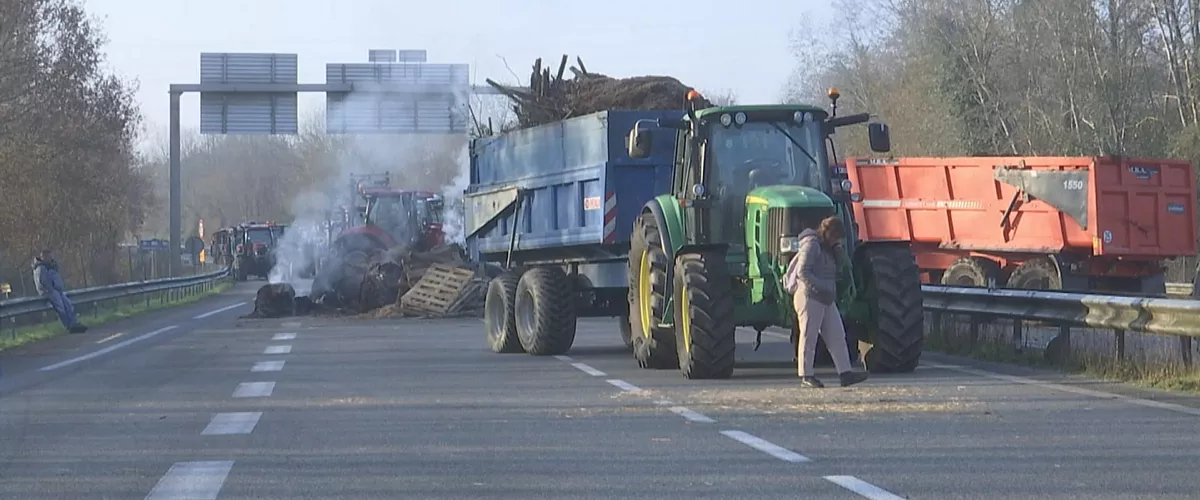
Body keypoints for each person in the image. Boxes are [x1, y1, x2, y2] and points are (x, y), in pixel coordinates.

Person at [783, 216, 867, 388]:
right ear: (827, 232)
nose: (836, 240)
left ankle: (845, 373)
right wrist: (822, 287)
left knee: (837, 335)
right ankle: (806, 375)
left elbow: (842, 267)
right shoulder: (812, 244)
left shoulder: (830, 248)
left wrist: (838, 251)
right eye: (835, 237)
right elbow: (803, 272)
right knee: (809, 336)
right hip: (809, 296)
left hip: (826, 298)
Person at [32, 249, 87, 334]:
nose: (51, 258)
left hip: (57, 290)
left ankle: (74, 323)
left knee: (68, 305)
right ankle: (69, 326)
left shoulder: (50, 266)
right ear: (44, 257)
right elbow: (43, 282)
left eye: (51, 256)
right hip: (49, 292)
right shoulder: (40, 267)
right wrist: (51, 290)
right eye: (49, 256)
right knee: (61, 308)